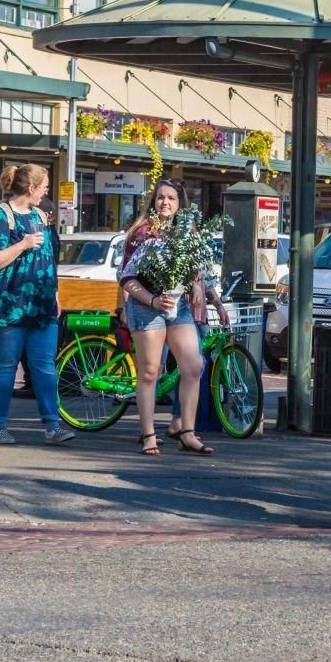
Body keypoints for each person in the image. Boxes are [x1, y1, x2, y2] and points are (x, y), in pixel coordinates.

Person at [117, 178, 225, 457]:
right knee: (150, 370)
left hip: (178, 307)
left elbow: (196, 268)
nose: (165, 203)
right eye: (161, 197)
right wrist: (152, 299)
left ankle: (187, 432)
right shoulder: (142, 233)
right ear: (153, 201)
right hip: (147, 306)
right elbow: (126, 277)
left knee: (193, 365)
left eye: (171, 199)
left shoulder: (185, 233)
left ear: (180, 204)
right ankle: (149, 434)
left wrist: (197, 284)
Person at [0, 163, 75, 446]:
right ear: (31, 188)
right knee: (5, 364)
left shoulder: (41, 216)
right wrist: (23, 244)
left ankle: (53, 425)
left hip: (40, 303)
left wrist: (54, 293)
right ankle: (0, 427)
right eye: (43, 187)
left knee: (44, 365)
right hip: (8, 304)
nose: (45, 192)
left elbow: (49, 261)